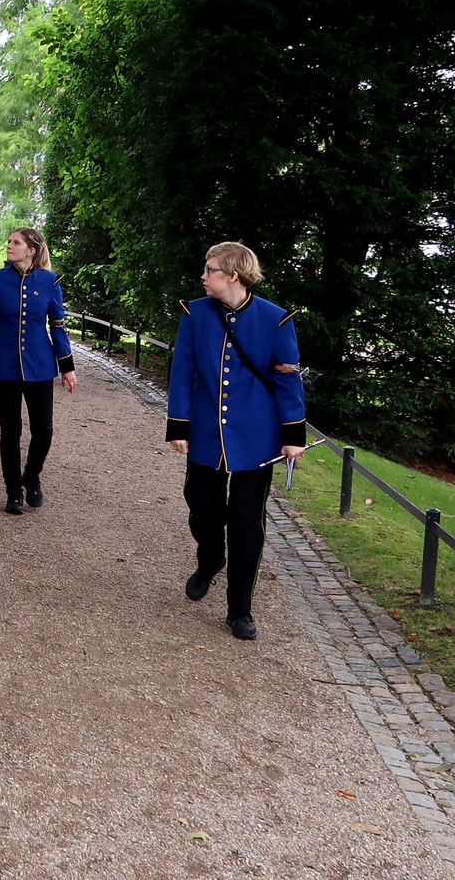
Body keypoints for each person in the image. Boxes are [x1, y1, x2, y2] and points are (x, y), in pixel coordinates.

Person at [165, 241, 308, 641]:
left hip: (258, 441)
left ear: (232, 274)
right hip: (207, 433)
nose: (203, 276)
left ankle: (240, 608)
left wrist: (292, 434)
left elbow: (286, 378)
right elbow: (182, 372)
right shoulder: (194, 314)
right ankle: (210, 558)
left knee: (247, 524)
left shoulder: (276, 320)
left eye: (210, 269)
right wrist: (179, 424)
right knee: (203, 508)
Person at [0, 228, 79, 514]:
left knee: (44, 431)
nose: (9, 246)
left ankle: (31, 476)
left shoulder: (50, 282)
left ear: (31, 249)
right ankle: (12, 491)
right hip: (2, 367)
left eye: (15, 243)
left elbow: (57, 326)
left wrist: (66, 367)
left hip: (40, 367)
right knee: (11, 431)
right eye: (9, 242)